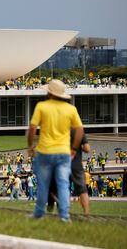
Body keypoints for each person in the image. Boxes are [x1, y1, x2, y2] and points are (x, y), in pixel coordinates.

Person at [27, 79, 84, 222]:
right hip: (64, 152)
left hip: (45, 151)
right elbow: (80, 130)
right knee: (63, 184)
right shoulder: (71, 109)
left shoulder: (42, 106)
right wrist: (74, 149)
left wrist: (30, 146)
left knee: (43, 184)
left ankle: (39, 214)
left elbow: (32, 128)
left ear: (49, 93)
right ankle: (64, 216)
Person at [48, 129, 91, 215]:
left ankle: (66, 212)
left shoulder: (59, 131)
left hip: (63, 165)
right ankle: (86, 213)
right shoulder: (78, 131)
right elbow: (87, 149)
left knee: (65, 189)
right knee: (82, 190)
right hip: (77, 165)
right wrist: (79, 147)